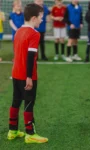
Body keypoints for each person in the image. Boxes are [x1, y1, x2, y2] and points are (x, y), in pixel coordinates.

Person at [7, 3, 48, 144]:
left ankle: (12, 131)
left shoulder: (18, 31)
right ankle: (30, 133)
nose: (42, 20)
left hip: (16, 72)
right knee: (29, 103)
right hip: (27, 75)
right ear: (34, 18)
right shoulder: (34, 34)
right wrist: (29, 77)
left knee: (16, 101)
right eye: (41, 17)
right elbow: (30, 57)